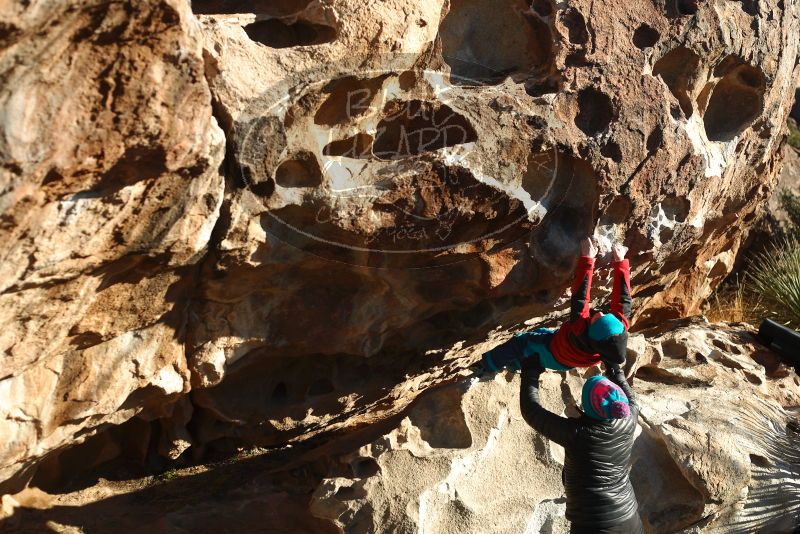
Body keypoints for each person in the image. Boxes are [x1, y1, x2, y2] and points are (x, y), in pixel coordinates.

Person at [519, 358, 643, 533]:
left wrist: (530, 369)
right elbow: (626, 392)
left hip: (593, 523)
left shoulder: (579, 434)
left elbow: (532, 411)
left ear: (588, 407)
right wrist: (613, 365)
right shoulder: (630, 416)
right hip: (629, 517)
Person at [482, 238, 631, 375]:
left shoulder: (580, 328)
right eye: (607, 316)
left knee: (521, 341)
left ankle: (486, 366)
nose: (601, 314)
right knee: (540, 333)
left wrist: (588, 258)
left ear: (591, 330)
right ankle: (515, 363)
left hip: (553, 353)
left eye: (597, 319)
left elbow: (581, 296)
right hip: (569, 361)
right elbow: (623, 299)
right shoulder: (618, 329)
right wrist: (621, 262)